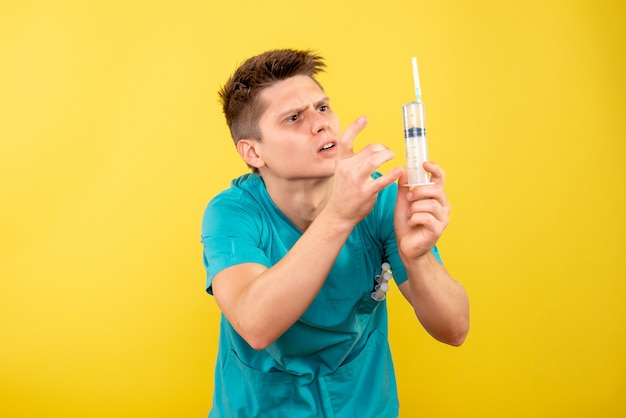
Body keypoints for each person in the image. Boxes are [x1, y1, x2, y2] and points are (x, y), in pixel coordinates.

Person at [200, 48, 469, 417]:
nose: (320, 123)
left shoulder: (383, 200)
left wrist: (416, 255)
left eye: (322, 108)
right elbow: (255, 324)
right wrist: (339, 216)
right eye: (294, 118)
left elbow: (454, 329)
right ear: (253, 152)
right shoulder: (232, 213)